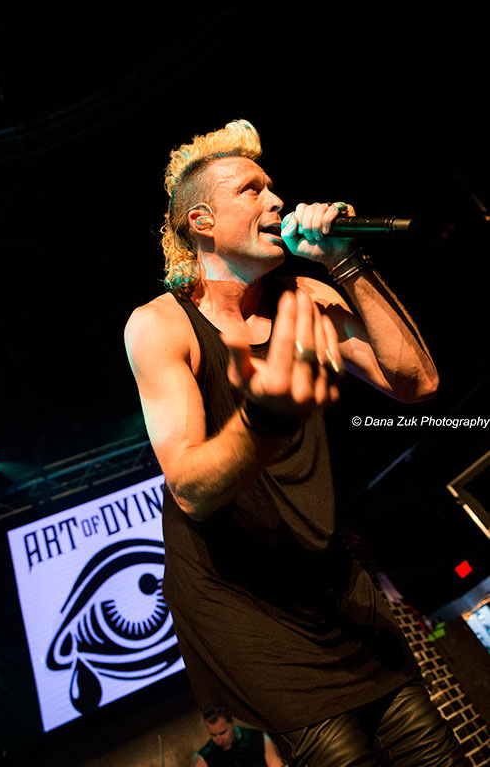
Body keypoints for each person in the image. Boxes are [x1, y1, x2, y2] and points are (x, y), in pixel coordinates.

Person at [125, 120, 467, 765]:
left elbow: (417, 382)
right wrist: (265, 417)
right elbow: (190, 488)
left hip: (329, 579)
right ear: (202, 221)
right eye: (251, 190)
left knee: (434, 753)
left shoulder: (307, 295)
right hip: (243, 603)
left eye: (272, 186)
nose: (276, 200)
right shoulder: (159, 326)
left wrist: (345, 261)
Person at [192, 706, 284, 767]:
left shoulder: (258, 738)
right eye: (213, 735)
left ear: (232, 721)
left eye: (223, 733)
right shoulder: (203, 758)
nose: (219, 741)